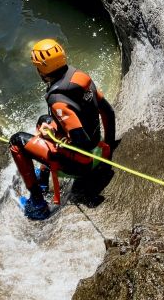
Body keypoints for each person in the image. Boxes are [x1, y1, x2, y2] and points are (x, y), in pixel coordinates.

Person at [10, 39, 116, 220]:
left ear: (41, 69)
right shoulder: (81, 78)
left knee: (17, 141)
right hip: (96, 150)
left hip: (83, 163)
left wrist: (54, 138)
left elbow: (79, 142)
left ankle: (37, 205)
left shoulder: (57, 99)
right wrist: (109, 147)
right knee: (44, 120)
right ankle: (43, 179)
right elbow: (108, 112)